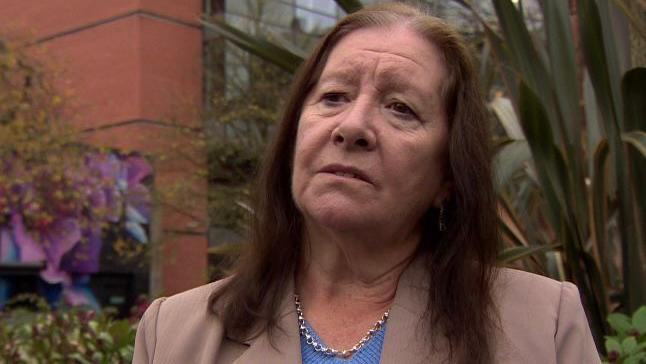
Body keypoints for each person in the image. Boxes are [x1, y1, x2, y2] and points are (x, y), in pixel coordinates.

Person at [133, 3, 600, 363]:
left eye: (401, 108)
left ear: (449, 177)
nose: (352, 126)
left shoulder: (542, 326)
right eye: (333, 96)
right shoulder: (175, 333)